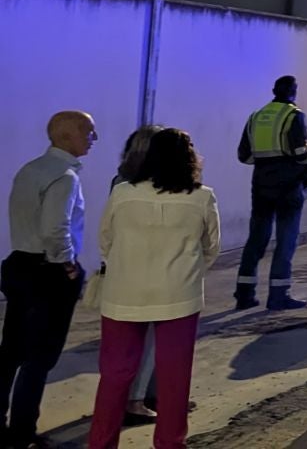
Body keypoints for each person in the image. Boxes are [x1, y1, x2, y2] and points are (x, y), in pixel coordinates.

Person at [86, 127, 220, 449]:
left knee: (116, 376)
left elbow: (105, 241)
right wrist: (187, 271)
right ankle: (170, 443)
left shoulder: (122, 193)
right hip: (179, 298)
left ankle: (101, 443)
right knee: (174, 380)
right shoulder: (202, 197)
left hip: (123, 297)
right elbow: (212, 248)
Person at [1, 110, 96, 448]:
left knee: (11, 351)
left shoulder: (30, 170)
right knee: (38, 359)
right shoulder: (65, 176)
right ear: (67, 136)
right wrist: (68, 265)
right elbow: (55, 230)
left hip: (18, 265)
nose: (92, 139)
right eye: (89, 132)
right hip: (47, 272)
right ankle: (22, 434)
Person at [235, 75, 307, 310]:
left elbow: (244, 155)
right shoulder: (294, 115)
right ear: (294, 91)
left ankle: (244, 294)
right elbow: (301, 152)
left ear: (273, 90)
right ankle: (278, 295)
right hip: (289, 183)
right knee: (286, 239)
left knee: (257, 237)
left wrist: (266, 162)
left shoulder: (256, 116)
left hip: (260, 181)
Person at [110, 126, 164, 428]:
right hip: (151, 270)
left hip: (129, 267)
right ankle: (136, 401)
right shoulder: (157, 186)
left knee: (143, 339)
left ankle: (152, 396)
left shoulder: (120, 182)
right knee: (149, 339)